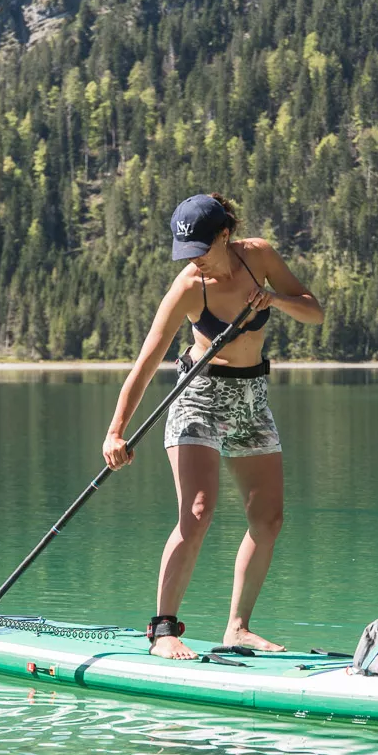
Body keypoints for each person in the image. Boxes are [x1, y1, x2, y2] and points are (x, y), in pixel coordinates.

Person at [102, 194, 324, 659]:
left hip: (252, 399)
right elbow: (145, 363)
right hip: (198, 398)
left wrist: (275, 299)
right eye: (186, 252)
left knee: (269, 520)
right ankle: (163, 629)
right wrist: (115, 431)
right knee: (198, 511)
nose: (194, 260)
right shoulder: (188, 286)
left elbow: (313, 310)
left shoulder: (259, 255)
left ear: (225, 234)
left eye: (201, 249)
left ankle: (238, 629)